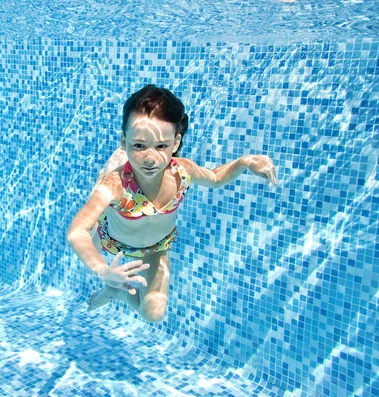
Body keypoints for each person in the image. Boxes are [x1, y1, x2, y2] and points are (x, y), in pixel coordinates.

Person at [66, 84, 277, 323]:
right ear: (124, 141)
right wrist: (103, 270)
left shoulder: (182, 172)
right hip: (111, 236)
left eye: (161, 146)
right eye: (138, 145)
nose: (150, 157)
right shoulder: (115, 185)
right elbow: (76, 231)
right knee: (93, 224)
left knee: (153, 314)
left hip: (156, 246)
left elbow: (216, 177)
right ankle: (117, 162)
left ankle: (115, 293)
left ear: (175, 144)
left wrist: (244, 162)